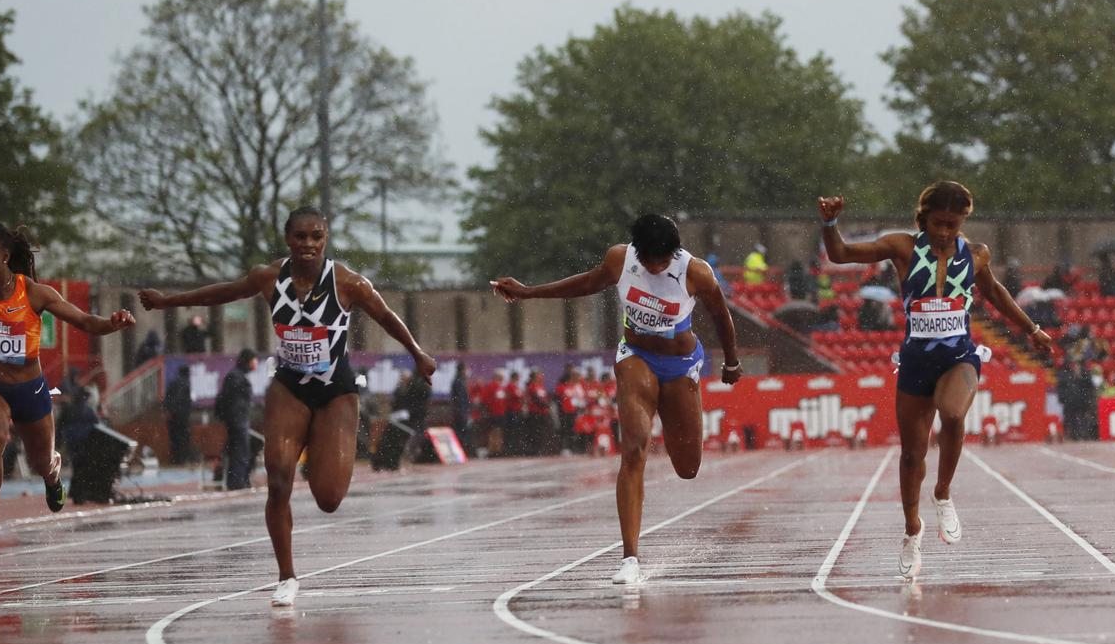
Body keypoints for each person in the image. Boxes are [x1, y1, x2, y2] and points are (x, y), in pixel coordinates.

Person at [138, 206, 434, 607]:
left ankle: (320, 446)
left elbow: (386, 315)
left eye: (316, 236)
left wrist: (417, 354)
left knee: (328, 498)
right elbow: (223, 292)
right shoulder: (268, 277)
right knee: (278, 479)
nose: (308, 244)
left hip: (335, 392)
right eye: (300, 237)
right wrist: (167, 302)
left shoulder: (349, 283)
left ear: (325, 239)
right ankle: (286, 577)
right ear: (287, 239)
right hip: (289, 386)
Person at [817, 183, 1053, 580]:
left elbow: (993, 292)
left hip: (959, 355)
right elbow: (840, 254)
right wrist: (830, 223)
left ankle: (942, 492)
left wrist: (1031, 329)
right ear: (923, 218)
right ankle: (912, 531)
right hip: (915, 361)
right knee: (911, 455)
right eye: (938, 223)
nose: (944, 231)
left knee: (953, 414)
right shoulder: (903, 248)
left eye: (953, 224)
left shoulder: (975, 255)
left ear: (963, 221)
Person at [492, 213, 742, 584]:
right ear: (638, 253)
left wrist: (732, 361)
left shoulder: (697, 273)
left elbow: (721, 315)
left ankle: (674, 427)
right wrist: (530, 291)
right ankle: (629, 558)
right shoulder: (619, 259)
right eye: (650, 261)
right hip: (636, 357)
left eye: (663, 261)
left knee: (688, 467)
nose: (657, 268)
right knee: (634, 449)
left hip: (681, 363)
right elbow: (585, 283)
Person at [0, 222, 134, 560]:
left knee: (41, 460)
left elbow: (85, 322)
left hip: (29, 389)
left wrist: (111, 324)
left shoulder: (35, 294)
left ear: (5, 256)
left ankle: (53, 476)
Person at [215, 349, 258, 489]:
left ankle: (240, 479)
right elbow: (229, 400)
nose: (256, 363)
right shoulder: (235, 377)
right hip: (238, 421)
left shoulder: (238, 376)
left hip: (239, 420)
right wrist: (234, 419)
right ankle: (237, 482)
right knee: (240, 451)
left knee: (245, 449)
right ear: (248, 360)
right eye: (254, 359)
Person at [164, 364, 195, 464]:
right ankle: (181, 459)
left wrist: (169, 410)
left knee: (174, 438)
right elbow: (185, 401)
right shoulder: (186, 383)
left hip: (172, 416)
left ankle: (175, 459)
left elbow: (167, 399)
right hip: (182, 417)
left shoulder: (173, 383)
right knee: (183, 438)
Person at [449, 362, 476, 457]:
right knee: (461, 432)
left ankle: (463, 451)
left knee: (463, 432)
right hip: (460, 412)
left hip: (462, 411)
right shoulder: (458, 382)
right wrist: (462, 411)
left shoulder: (461, 381)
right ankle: (461, 452)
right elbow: (459, 399)